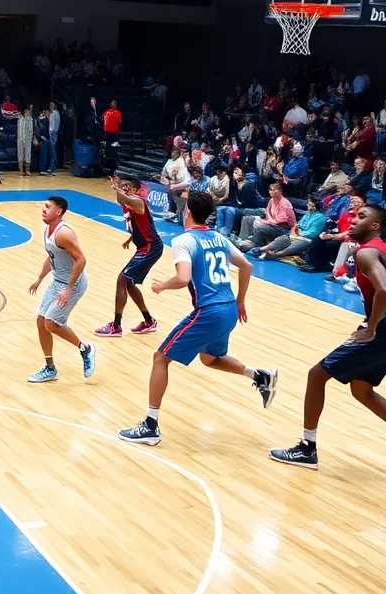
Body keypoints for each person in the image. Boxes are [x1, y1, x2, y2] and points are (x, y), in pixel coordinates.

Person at [270, 204, 386, 477]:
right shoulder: (383, 248)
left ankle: (307, 448)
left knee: (316, 375)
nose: (352, 220)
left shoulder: (366, 252)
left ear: (375, 225)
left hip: (384, 332)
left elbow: (385, 291)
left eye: (361, 217)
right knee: (361, 390)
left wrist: (371, 327)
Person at [118, 191, 277, 445]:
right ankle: (260, 376)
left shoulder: (184, 240)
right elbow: (247, 266)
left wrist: (162, 285)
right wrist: (240, 301)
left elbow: (183, 278)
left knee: (160, 358)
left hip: (209, 311)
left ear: (187, 212)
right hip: (228, 310)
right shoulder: (219, 237)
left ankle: (150, 425)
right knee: (210, 359)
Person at [26, 196, 97, 383]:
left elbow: (81, 259)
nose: (43, 209)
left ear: (58, 211)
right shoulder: (47, 230)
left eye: (48, 207)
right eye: (44, 206)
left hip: (73, 283)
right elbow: (52, 257)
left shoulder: (63, 233)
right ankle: (50, 368)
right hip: (57, 281)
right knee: (41, 321)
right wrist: (39, 279)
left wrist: (68, 288)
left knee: (51, 322)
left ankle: (86, 349)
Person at [95, 174, 163, 338]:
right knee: (129, 284)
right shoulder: (131, 203)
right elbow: (143, 224)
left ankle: (116, 326)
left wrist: (118, 189)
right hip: (146, 247)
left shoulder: (138, 201)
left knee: (122, 280)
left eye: (128, 187)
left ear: (135, 189)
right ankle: (149, 321)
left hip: (150, 248)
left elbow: (124, 200)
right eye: (123, 186)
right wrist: (131, 238)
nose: (125, 189)